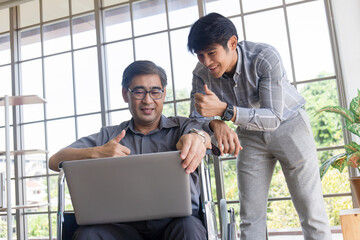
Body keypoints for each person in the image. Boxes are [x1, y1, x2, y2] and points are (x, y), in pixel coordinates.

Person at [187, 12, 332, 240]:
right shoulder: (201, 73)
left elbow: (273, 116)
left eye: (212, 53)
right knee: (250, 219)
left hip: (290, 126)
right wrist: (215, 123)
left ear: (232, 43)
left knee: (311, 213)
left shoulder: (264, 57)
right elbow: (196, 118)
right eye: (200, 55)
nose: (206, 62)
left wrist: (224, 111)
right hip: (250, 136)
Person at [49, 60, 216, 240]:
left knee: (189, 228)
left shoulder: (183, 127)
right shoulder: (109, 137)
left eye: (155, 91)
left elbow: (207, 137)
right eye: (138, 91)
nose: (147, 100)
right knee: (88, 235)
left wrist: (199, 137)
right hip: (121, 229)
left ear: (164, 94)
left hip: (175, 225)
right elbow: (55, 161)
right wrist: (97, 153)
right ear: (125, 94)